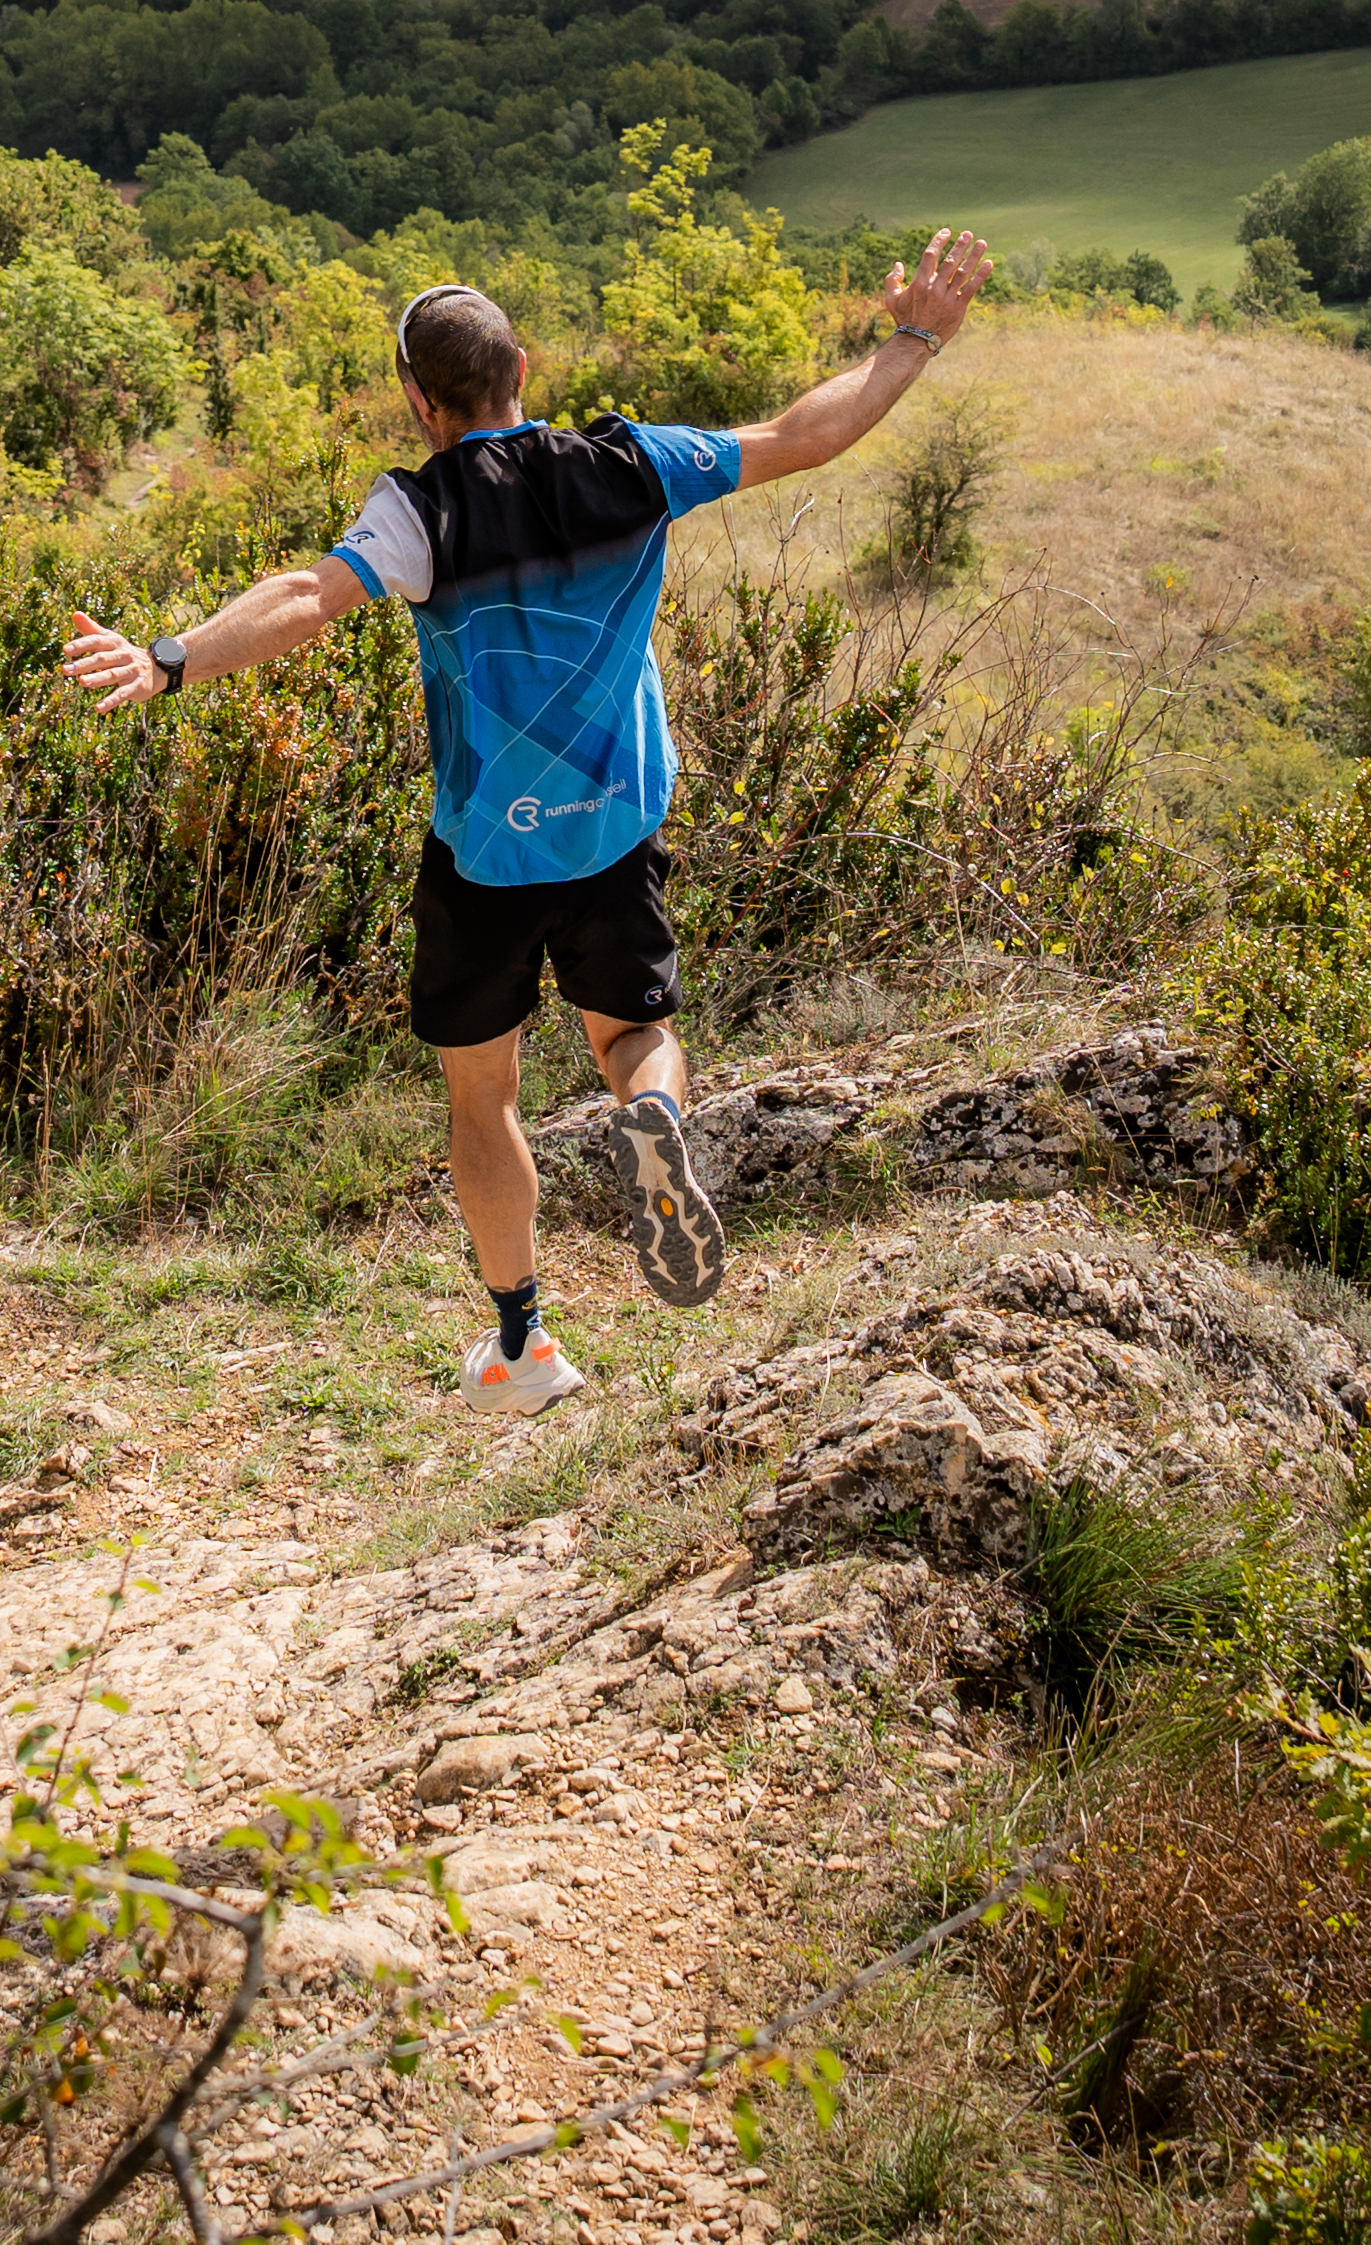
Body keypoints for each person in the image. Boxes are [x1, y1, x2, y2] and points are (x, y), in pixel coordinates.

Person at [60, 232, 999, 1410]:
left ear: (419, 397)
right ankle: (652, 1112)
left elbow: (306, 596)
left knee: (483, 1096)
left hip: (486, 860)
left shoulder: (418, 512)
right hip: (613, 832)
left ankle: (524, 1345)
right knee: (628, 1037)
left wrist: (169, 657)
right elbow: (802, 435)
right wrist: (915, 338)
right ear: (524, 368)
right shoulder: (631, 464)